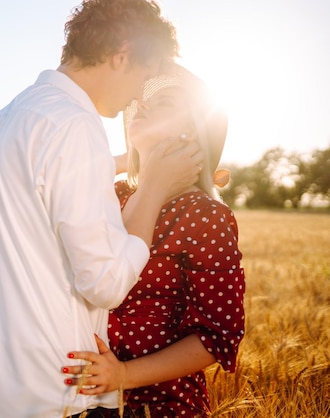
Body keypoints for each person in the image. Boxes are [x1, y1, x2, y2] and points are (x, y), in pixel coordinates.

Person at [0, 1, 207, 416]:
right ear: (122, 55)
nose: (139, 95)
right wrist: (152, 189)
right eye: (144, 76)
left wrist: (132, 163)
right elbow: (105, 284)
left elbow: (55, 180)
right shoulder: (77, 125)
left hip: (0, 396)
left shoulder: (1, 123)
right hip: (63, 393)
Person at [61, 63, 246, 417]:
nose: (142, 105)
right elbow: (56, 182)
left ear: (192, 132)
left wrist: (124, 374)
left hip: (162, 404)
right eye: (141, 103)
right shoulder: (111, 195)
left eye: (164, 103)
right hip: (86, 398)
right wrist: (135, 163)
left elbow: (217, 336)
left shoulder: (206, 215)